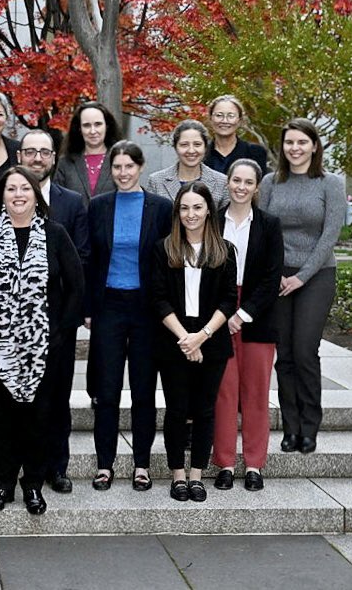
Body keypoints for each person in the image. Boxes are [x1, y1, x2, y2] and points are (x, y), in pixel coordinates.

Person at [0, 166, 84, 516]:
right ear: (0, 196)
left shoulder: (55, 234)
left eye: (24, 189)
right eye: (11, 189)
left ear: (36, 195)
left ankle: (32, 485)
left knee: (38, 417)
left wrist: (59, 332)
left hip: (42, 348)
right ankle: (2, 484)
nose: (18, 194)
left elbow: (77, 287)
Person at [86, 141, 172, 493]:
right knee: (106, 392)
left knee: (142, 390)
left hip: (146, 309)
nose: (122, 173)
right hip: (108, 306)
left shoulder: (161, 208)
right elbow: (90, 259)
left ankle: (141, 464)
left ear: (141, 167)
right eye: (117, 167)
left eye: (128, 167)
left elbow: (168, 261)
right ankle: (104, 464)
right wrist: (89, 308)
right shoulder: (98, 206)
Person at [258, 118, 346, 454]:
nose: (295, 148)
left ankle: (310, 426)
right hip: (279, 276)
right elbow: (263, 231)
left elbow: (329, 236)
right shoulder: (270, 183)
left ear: (314, 146)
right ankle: (290, 428)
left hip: (317, 276)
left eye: (301, 142)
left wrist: (301, 276)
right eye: (289, 142)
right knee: (285, 356)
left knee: (305, 351)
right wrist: (277, 273)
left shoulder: (330, 183)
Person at [151, 182, 237, 503]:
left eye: (197, 207)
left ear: (208, 212)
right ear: (177, 213)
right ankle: (177, 476)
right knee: (176, 409)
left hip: (210, 341)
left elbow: (229, 301)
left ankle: (197, 475)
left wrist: (201, 336)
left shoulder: (225, 251)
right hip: (174, 339)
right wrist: (185, 338)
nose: (191, 214)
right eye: (184, 208)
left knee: (204, 410)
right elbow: (157, 299)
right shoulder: (164, 249)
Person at [17, 129, 89, 493]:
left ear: (53, 159)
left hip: (58, 319)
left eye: (44, 152)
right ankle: (22, 465)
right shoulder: (4, 198)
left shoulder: (73, 203)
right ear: (20, 158)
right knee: (21, 396)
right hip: (14, 323)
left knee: (58, 398)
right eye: (30, 152)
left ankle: (55, 468)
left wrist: (69, 319)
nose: (37, 158)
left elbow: (82, 261)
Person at [212, 159, 283, 492]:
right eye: (235, 180)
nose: (241, 187)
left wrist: (244, 313)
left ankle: (254, 464)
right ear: (227, 182)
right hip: (219, 314)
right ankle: (225, 462)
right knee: (224, 392)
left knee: (255, 392)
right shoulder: (213, 220)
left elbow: (272, 278)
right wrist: (222, 314)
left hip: (257, 316)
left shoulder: (269, 225)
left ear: (257, 187)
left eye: (248, 182)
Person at [148, 120, 229, 208]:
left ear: (205, 147)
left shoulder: (221, 182)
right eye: (184, 144)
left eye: (197, 144)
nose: (191, 150)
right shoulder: (156, 181)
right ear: (175, 147)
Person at [54, 101, 119, 207]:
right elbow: (58, 201)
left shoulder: (119, 160)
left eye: (98, 124)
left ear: (107, 126)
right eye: (87, 125)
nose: (93, 131)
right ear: (79, 129)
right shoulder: (66, 162)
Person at [204, 95, 268, 176]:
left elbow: (260, 186)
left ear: (239, 120)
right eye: (219, 115)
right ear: (210, 118)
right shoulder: (201, 153)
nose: (224, 121)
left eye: (231, 116)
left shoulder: (255, 152)